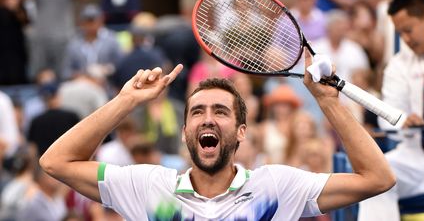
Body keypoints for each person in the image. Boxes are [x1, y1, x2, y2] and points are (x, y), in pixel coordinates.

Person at [39, 53, 396, 220]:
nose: (207, 119)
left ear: (242, 131)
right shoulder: (148, 186)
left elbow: (378, 178)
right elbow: (55, 162)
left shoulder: (277, 186)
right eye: (197, 112)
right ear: (184, 133)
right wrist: (126, 100)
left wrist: (327, 102)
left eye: (220, 111)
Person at [358, 0, 424, 221]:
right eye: (400, 33)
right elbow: (386, 116)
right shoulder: (398, 65)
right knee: (376, 174)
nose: (406, 39)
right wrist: (404, 119)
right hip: (416, 158)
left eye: (408, 30)